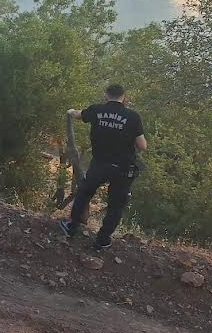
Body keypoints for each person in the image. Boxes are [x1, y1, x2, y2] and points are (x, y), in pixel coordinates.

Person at [59, 83, 147, 251]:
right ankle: (102, 240)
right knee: (116, 205)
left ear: (106, 96)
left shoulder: (97, 110)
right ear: (124, 97)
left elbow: (78, 114)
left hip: (100, 163)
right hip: (124, 167)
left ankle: (71, 226)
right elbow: (142, 146)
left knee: (84, 193)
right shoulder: (133, 116)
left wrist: (70, 111)